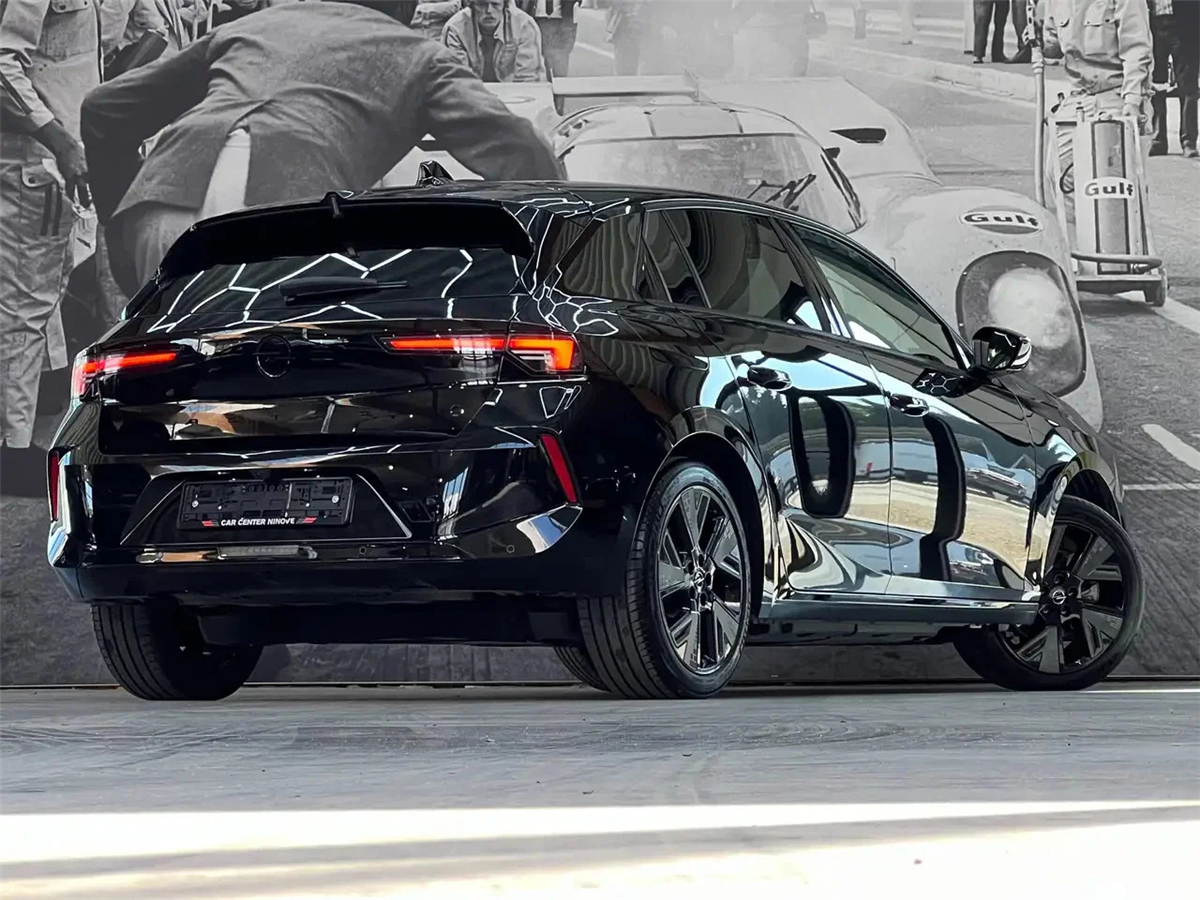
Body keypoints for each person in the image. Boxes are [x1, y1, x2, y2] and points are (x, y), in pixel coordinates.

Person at [79, 0, 564, 299]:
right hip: (284, 223)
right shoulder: (420, 55)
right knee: (283, 404)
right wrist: (564, 251)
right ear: (408, 9)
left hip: (160, 205)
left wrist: (121, 233)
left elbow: (103, 109)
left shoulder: (261, 24)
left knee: (165, 396)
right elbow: (520, 149)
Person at [0, 0, 101, 493]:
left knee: (43, 295)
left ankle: (24, 418)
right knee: (24, 303)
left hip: (57, 158)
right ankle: (11, 448)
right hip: (36, 162)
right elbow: (3, 64)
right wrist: (60, 141)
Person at [1041, 0, 1153, 217]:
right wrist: (1037, 41)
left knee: (1118, 184)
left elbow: (1137, 49)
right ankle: (1085, 233)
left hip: (1117, 94)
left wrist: (1132, 101)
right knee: (1059, 173)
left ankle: (1120, 233)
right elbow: (1052, 46)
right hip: (1079, 97)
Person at [442, 0, 546, 82]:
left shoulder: (524, 26)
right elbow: (458, 80)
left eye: (495, 4)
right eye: (482, 4)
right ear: (472, 5)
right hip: (472, 95)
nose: (489, 11)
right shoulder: (455, 29)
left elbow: (528, 79)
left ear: (505, 5)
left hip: (518, 94)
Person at [1148, 0, 1199, 158]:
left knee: (1188, 86)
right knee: (1155, 84)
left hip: (1185, 24)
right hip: (1153, 25)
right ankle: (1158, 138)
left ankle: (1188, 141)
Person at [516, 0, 577, 78]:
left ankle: (558, 83)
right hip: (536, 20)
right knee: (530, 62)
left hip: (560, 22)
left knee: (559, 66)